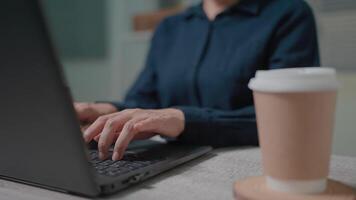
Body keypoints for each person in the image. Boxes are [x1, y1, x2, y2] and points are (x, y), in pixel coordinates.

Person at [75, 0, 319, 161]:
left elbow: (287, 119)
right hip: (172, 163)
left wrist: (182, 119)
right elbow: (142, 100)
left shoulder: (289, 15)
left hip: (255, 165)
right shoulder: (170, 27)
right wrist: (103, 110)